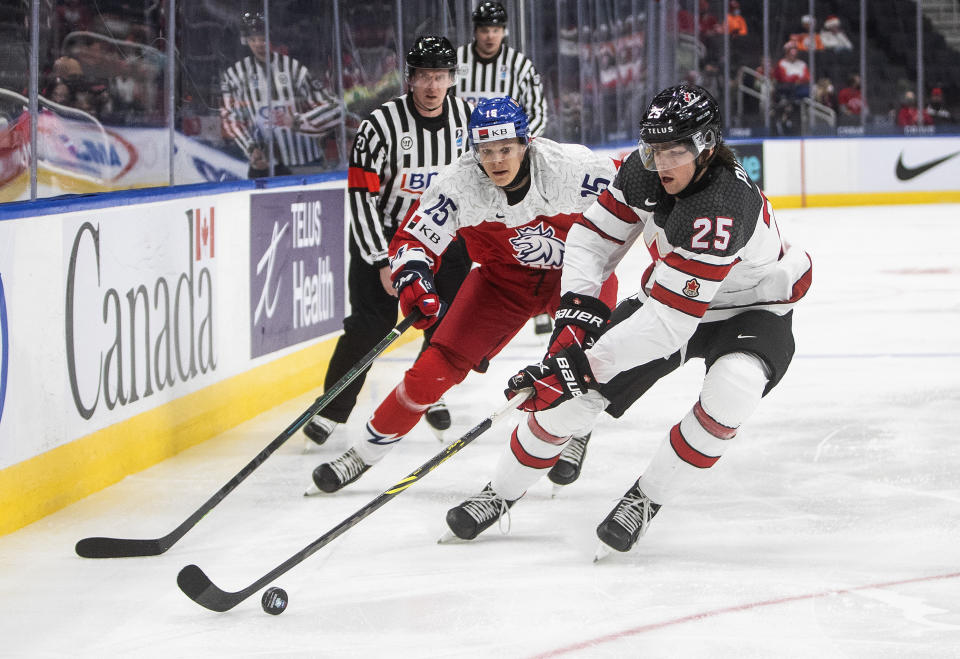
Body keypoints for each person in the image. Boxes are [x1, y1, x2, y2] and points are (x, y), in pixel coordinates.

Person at [444, 84, 812, 557]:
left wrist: (579, 366)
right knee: (572, 403)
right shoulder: (644, 170)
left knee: (733, 389)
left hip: (752, 308)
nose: (662, 163)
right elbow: (592, 237)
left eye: (675, 150)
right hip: (671, 295)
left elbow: (670, 324)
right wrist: (575, 316)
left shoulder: (722, 205)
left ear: (707, 146)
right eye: (654, 149)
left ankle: (645, 500)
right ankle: (500, 491)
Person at [305, 97, 619, 495]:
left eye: (506, 148)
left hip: (579, 272)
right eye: (486, 150)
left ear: (526, 143)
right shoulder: (459, 183)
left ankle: (576, 431)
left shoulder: (570, 168)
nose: (496, 160)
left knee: (580, 362)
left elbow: (640, 198)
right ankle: (363, 453)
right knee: (432, 368)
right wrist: (414, 278)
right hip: (503, 281)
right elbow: (413, 240)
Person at [301, 36, 475, 448]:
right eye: (424, 77)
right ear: (410, 79)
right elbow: (361, 194)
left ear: (451, 78)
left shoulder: (469, 120)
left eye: (441, 76)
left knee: (447, 323)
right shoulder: (379, 125)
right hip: (383, 238)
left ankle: (429, 392)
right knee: (368, 326)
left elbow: (479, 183)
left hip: (445, 241)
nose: (432, 86)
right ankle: (331, 408)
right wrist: (381, 258)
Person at [455, 2, 554, 340]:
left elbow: (537, 111)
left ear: (504, 30)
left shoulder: (520, 65)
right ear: (475, 31)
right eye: (484, 29)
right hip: (469, 162)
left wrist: (520, 150)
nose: (489, 35)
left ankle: (539, 303)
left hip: (513, 161)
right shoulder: (458, 62)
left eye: (495, 29)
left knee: (526, 224)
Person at [220, 11, 343, 179]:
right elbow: (230, 118)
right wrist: (252, 149)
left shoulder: (294, 69)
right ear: (246, 41)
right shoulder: (235, 74)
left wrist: (297, 121)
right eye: (253, 40)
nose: (258, 44)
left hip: (304, 162)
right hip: (264, 167)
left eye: (263, 38)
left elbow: (336, 108)